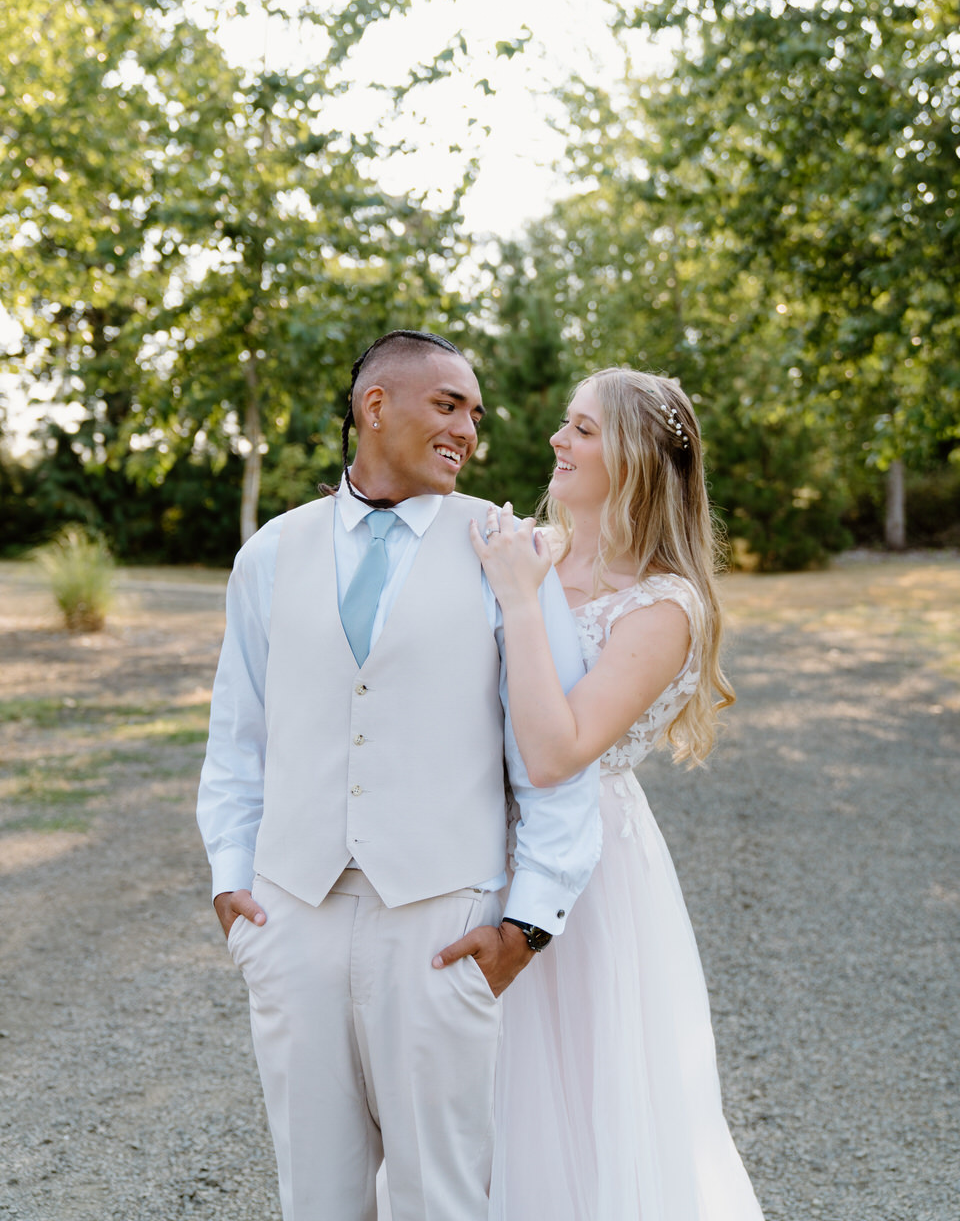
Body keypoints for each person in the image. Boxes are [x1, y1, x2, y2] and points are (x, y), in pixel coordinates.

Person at [196, 330, 601, 1221]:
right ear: (375, 406)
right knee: (316, 1193)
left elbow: (554, 759)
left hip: (441, 921)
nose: (468, 430)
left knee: (441, 1196)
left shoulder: (511, 549)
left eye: (476, 415)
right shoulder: (271, 552)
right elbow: (239, 736)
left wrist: (526, 925)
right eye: (447, 405)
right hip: (290, 913)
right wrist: (233, 889)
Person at [436, 366, 765, 1220]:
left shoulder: (662, 607)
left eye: (582, 428)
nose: (558, 439)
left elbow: (555, 756)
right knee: (451, 1103)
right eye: (565, 423)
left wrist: (518, 596)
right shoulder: (524, 549)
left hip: (582, 873)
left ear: (635, 458)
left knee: (565, 1111)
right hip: (466, 841)